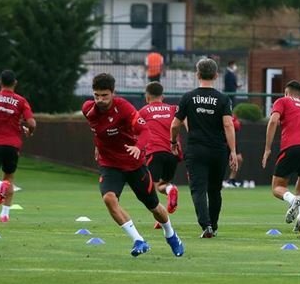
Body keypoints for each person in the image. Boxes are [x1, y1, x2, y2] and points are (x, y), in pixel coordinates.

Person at [82, 73, 184, 257]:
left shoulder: (124, 108)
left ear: (113, 93)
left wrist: (138, 147)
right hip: (109, 164)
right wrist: (98, 146)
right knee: (109, 199)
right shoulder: (88, 109)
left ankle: (171, 235)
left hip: (134, 163)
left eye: (104, 95)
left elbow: (144, 130)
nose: (100, 100)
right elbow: (98, 131)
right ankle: (138, 240)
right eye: (96, 95)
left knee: (153, 206)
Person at [171, 58, 238, 238]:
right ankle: (213, 226)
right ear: (216, 75)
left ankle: (205, 226)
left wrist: (172, 142)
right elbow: (228, 125)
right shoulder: (223, 99)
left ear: (197, 74)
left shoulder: (188, 97)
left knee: (198, 189)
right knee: (215, 190)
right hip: (218, 150)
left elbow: (174, 125)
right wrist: (232, 151)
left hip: (196, 150)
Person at [261, 80, 300, 233]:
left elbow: (273, 121)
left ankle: (292, 200)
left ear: (286, 92)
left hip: (292, 147)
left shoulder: (282, 101)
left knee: (277, 187)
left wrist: (267, 149)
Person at [0, 70, 36, 223]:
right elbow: (31, 122)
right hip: (13, 145)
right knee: (9, 177)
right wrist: (29, 131)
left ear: (0, 82)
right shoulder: (21, 100)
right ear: (15, 83)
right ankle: (4, 215)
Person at [137, 81, 182, 228]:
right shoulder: (173, 109)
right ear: (162, 96)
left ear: (147, 96)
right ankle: (170, 192)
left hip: (154, 151)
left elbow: (135, 130)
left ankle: (161, 217)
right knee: (163, 183)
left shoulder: (143, 111)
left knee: (152, 187)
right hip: (172, 152)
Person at [224, 114, 245, 188]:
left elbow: (237, 125)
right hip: (220, 142)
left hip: (232, 142)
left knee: (239, 159)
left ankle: (231, 179)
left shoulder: (232, 115)